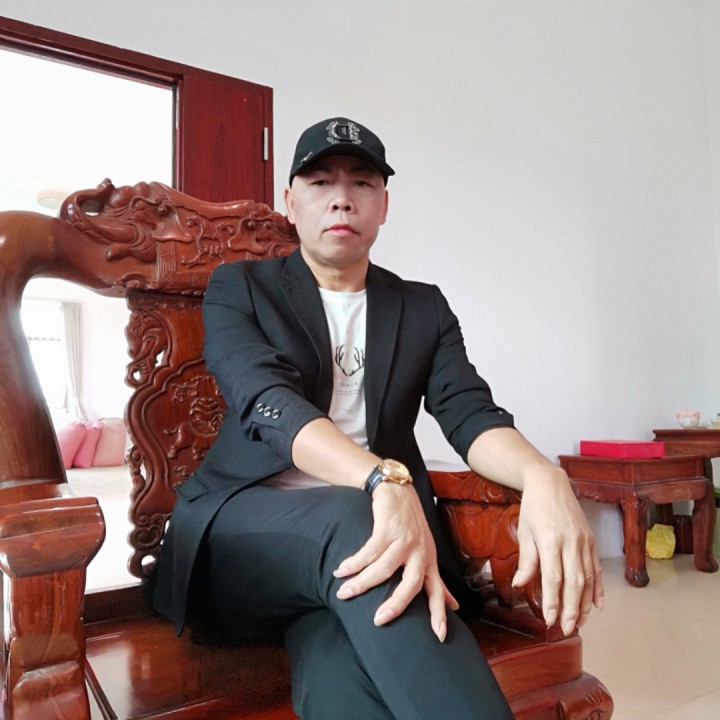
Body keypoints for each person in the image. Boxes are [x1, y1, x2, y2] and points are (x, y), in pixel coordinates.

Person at [153, 117, 604, 719]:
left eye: (362, 183)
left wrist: (544, 475)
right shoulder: (241, 287)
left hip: (362, 562)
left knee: (337, 663)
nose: (342, 198)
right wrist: (380, 479)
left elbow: (469, 412)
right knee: (356, 514)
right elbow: (265, 400)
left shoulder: (422, 307)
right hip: (244, 540)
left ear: (384, 205)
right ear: (290, 202)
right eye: (320, 182)